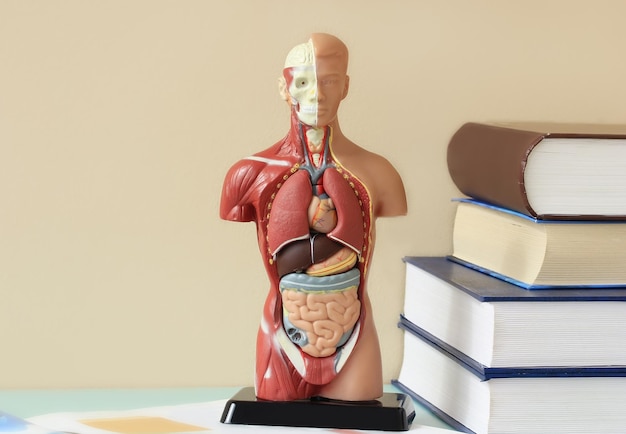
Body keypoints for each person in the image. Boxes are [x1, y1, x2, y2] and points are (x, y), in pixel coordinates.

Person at [220, 33, 407, 402]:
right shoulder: (248, 174)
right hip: (282, 328)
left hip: (355, 333)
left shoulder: (379, 173)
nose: (317, 96)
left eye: (329, 81)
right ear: (284, 87)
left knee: (358, 403)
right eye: (303, 82)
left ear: (346, 87)